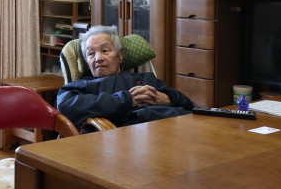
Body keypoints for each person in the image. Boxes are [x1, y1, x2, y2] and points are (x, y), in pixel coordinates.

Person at [56, 25, 193, 128]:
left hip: (174, 127)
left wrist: (167, 99)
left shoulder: (145, 79)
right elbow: (66, 105)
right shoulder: (82, 86)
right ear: (87, 62)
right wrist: (127, 100)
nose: (98, 58)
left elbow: (188, 104)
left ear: (120, 55)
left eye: (105, 50)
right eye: (91, 54)